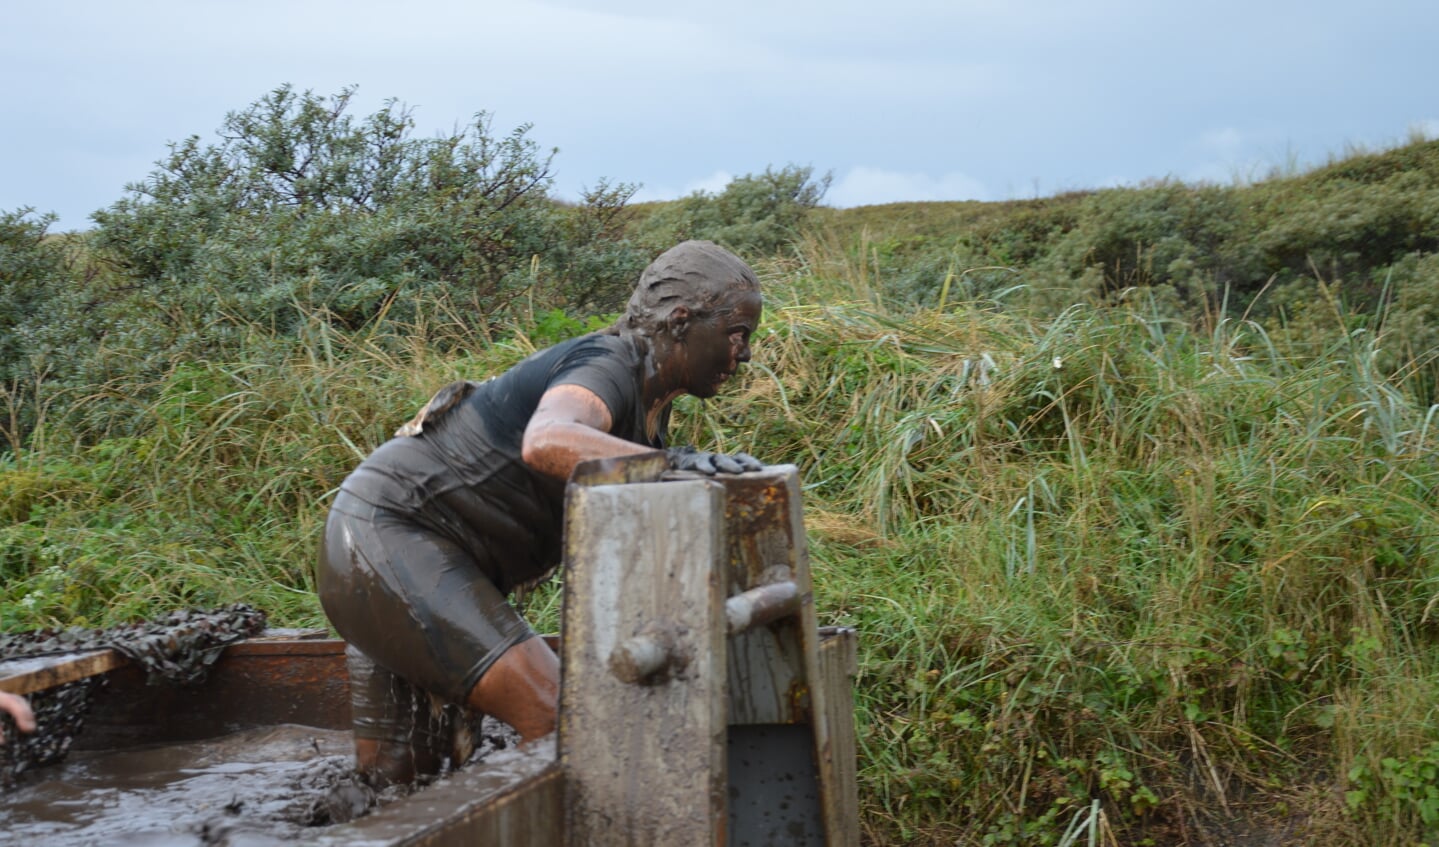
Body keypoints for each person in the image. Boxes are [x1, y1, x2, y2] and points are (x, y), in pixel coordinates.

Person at [318, 240, 764, 785]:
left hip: (400, 564)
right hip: (388, 543)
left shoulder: (648, 404)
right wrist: (674, 463)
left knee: (397, 782)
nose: (744, 354)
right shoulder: (609, 365)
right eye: (737, 335)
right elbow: (549, 441)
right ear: (680, 321)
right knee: (563, 722)